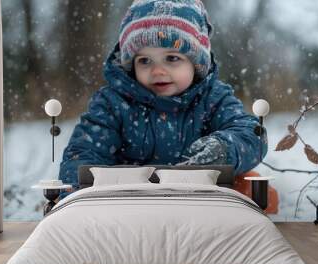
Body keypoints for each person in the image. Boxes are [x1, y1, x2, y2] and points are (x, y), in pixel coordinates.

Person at [58, 0, 267, 199]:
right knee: (81, 183)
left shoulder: (213, 98)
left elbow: (251, 133)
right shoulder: (113, 103)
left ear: (196, 63)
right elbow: (84, 151)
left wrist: (224, 148)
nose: (157, 71)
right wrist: (75, 194)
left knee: (249, 185)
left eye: (172, 58)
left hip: (199, 198)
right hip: (128, 199)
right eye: (145, 60)